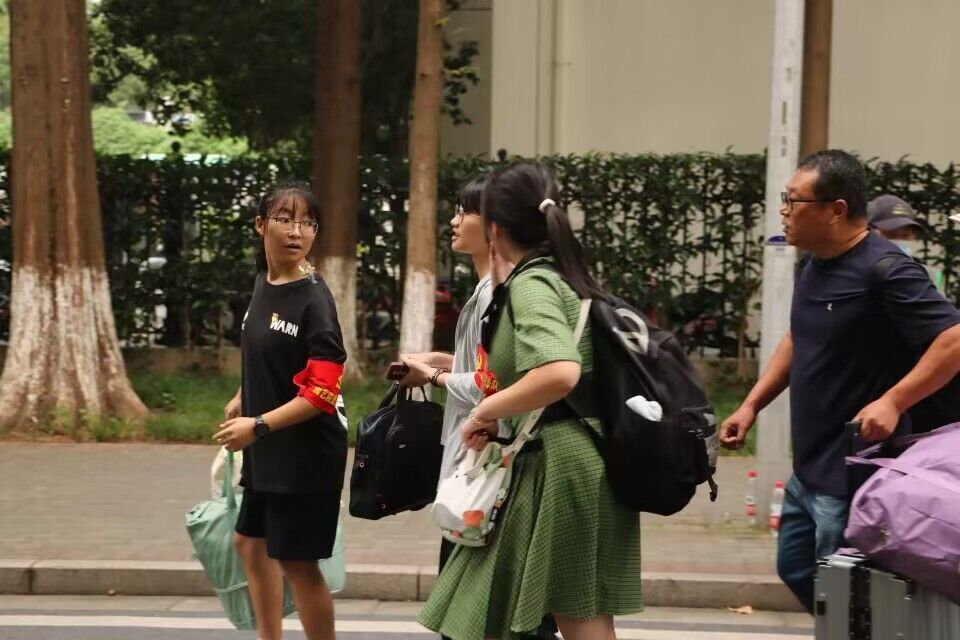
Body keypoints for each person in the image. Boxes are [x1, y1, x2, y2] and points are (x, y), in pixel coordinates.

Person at [720, 150, 960, 613]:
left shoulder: (888, 270)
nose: (784, 211)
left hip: (853, 472)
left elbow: (953, 340)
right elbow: (798, 336)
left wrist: (893, 401)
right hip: (809, 467)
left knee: (848, 601)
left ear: (836, 210)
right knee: (795, 568)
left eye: (794, 201)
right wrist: (751, 405)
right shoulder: (814, 264)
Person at [418, 161, 643, 640]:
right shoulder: (556, 276)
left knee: (568, 615)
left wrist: (484, 410)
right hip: (561, 461)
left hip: (559, 469)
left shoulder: (531, 284)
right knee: (574, 615)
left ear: (495, 228)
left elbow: (559, 371)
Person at [399, 177, 559, 640]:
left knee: (476, 619)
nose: (454, 220)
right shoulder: (487, 290)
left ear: (494, 226)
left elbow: (496, 384)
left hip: (486, 470)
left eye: (465, 211)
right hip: (477, 466)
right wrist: (443, 361)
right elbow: (489, 368)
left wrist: (433, 378)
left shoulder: (502, 293)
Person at [214, 183, 346, 640]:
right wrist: (242, 394)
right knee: (249, 545)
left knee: (298, 562)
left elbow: (323, 392)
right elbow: (267, 350)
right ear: (260, 225)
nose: (296, 232)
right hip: (268, 447)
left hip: (305, 454)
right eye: (285, 220)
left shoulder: (314, 299)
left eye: (307, 223)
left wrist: (258, 424)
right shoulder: (264, 282)